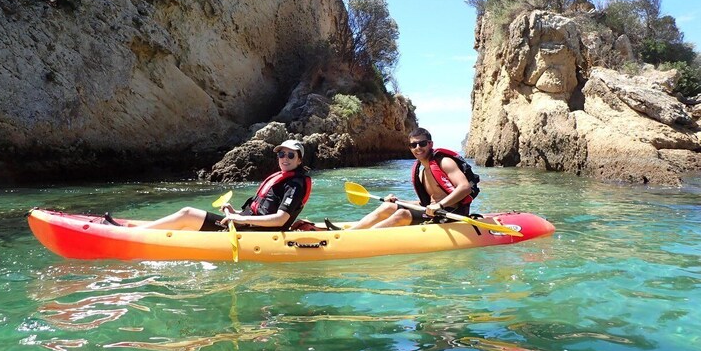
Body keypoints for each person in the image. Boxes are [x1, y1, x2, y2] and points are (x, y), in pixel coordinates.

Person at [136, 140, 311, 232]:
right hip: (246, 224)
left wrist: (241, 219)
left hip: (257, 231)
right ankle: (140, 230)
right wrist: (235, 213)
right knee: (187, 221)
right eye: (281, 154)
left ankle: (134, 233)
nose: (284, 158)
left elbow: (280, 219)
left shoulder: (295, 185)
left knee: (187, 213)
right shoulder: (282, 178)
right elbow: (260, 211)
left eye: (290, 155)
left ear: (299, 160)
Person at [344, 128, 472, 229]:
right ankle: (351, 233)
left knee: (402, 214)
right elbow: (427, 203)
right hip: (431, 211)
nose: (418, 148)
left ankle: (362, 239)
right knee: (387, 206)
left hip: (451, 212)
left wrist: (440, 205)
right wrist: (399, 201)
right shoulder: (421, 171)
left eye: (422, 143)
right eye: (413, 145)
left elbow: (465, 187)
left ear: (430, 144)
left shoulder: (445, 162)